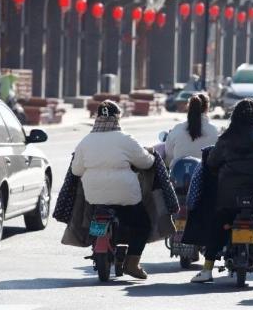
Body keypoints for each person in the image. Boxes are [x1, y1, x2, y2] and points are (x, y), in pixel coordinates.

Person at [191, 98, 253, 286]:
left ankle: (206, 270)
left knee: (218, 228)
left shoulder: (225, 138)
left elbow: (212, 162)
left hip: (229, 199)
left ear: (235, 116)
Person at [71, 100, 156, 279]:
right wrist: (151, 154)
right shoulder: (125, 139)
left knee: (96, 209)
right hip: (125, 196)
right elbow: (146, 162)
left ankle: (97, 242)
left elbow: (76, 170)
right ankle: (132, 263)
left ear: (97, 118)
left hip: (94, 196)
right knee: (143, 224)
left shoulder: (85, 141)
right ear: (117, 118)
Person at [164, 93, 219, 168]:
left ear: (189, 107)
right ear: (207, 108)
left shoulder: (177, 129)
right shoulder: (215, 131)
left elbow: (168, 153)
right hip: (204, 174)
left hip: (178, 173)